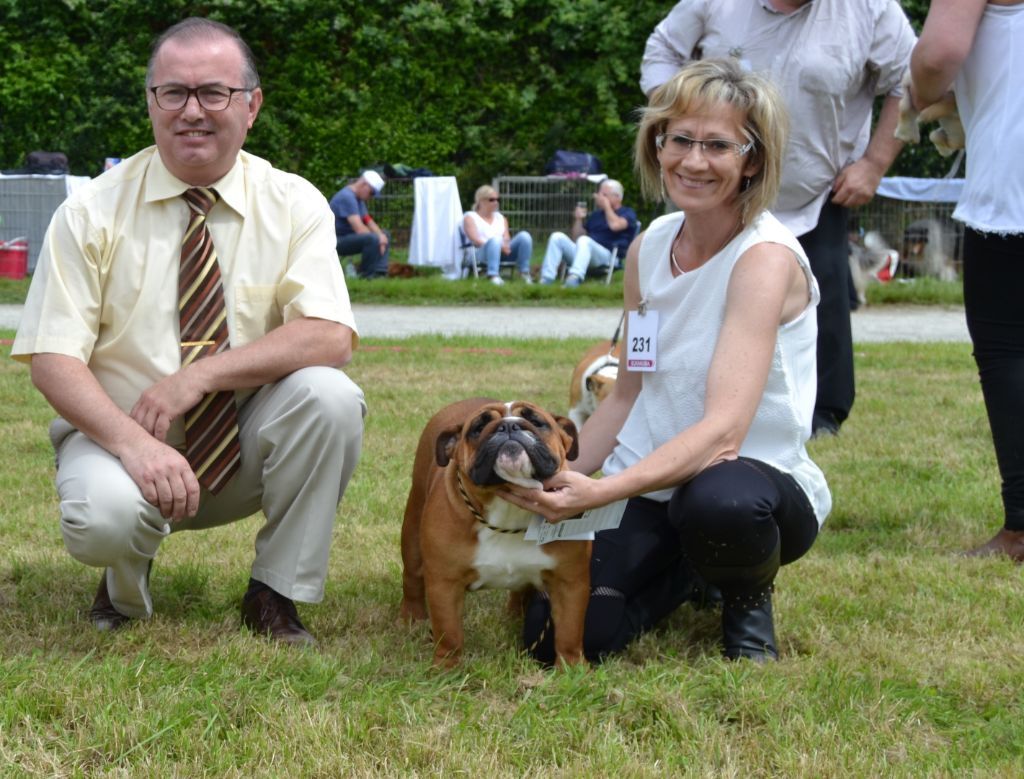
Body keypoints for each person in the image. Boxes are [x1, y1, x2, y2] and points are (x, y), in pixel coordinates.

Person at [11, 17, 366, 646]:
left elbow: (329, 336)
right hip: (121, 439)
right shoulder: (89, 211)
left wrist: (196, 378)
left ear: (251, 106)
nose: (192, 111)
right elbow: (52, 359)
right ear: (150, 103)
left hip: (242, 441)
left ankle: (273, 593)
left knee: (331, 397)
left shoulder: (295, 203)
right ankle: (126, 573)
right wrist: (133, 444)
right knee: (105, 520)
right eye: (172, 93)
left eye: (214, 93)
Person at [504, 59, 830, 663]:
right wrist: (558, 470)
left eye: (718, 145)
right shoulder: (650, 246)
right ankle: (684, 573)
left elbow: (723, 432)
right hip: (649, 486)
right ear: (658, 144)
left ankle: (745, 601)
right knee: (554, 641)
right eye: (679, 138)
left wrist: (600, 494)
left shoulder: (764, 259)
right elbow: (628, 391)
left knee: (719, 501)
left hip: (748, 480)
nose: (693, 160)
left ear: (752, 159)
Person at [640, 0, 916, 437]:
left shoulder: (872, 8)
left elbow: (913, 79)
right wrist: (683, 115)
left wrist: (875, 164)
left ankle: (821, 416)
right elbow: (662, 50)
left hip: (816, 197)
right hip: (718, 194)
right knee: (693, 302)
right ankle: (677, 398)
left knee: (822, 308)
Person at [910, 0, 1024, 561]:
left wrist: (917, 93)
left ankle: (1023, 528)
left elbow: (938, 55)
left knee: (1008, 351)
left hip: (1014, 189)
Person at [538, 179, 638, 287]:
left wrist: (607, 206)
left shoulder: (628, 212)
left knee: (585, 240)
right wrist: (578, 220)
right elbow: (577, 238)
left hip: (608, 257)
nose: (598, 197)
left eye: (604, 195)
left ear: (617, 197)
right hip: (585, 254)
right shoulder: (596, 215)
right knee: (556, 236)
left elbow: (615, 226)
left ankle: (574, 278)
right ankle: (546, 279)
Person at [462, 184, 534, 285]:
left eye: (497, 199)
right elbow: (476, 240)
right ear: (481, 201)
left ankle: (524, 273)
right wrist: (498, 246)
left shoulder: (501, 218)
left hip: (502, 253)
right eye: (492, 200)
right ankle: (493, 276)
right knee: (495, 239)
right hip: (481, 253)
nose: (496, 202)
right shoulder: (470, 217)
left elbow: (506, 238)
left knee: (524, 236)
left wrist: (505, 246)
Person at [330, 170, 391, 279]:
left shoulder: (357, 198)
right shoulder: (347, 197)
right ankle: (367, 275)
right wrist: (378, 238)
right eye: (371, 193)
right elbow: (359, 229)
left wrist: (381, 236)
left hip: (348, 237)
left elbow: (368, 220)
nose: (371, 197)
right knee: (372, 239)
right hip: (337, 240)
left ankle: (380, 271)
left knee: (384, 234)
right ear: (364, 185)